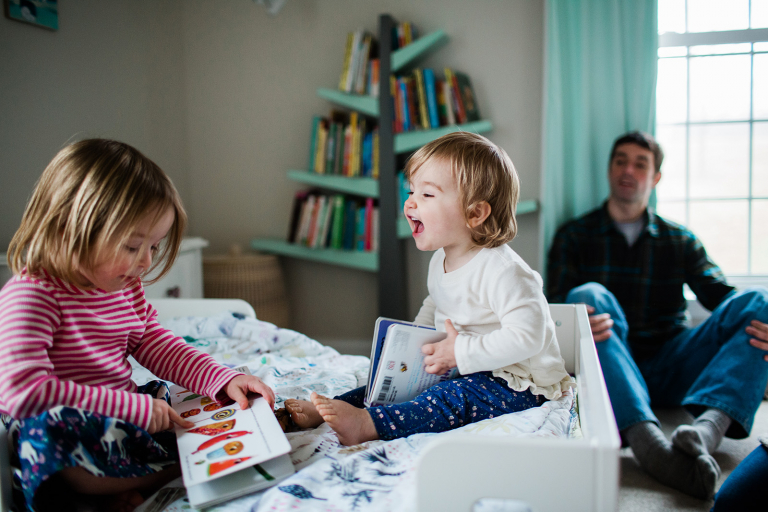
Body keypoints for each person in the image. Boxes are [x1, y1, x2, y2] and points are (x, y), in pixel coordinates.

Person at [0, 139, 276, 512]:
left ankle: (125, 487)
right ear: (70, 228)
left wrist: (220, 379)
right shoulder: (33, 294)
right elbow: (24, 392)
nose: (145, 262)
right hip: (67, 433)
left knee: (180, 408)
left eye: (154, 248)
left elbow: (154, 341)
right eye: (132, 247)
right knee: (48, 433)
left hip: (121, 420)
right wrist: (130, 407)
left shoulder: (124, 287)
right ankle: (143, 481)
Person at [283, 131, 572, 446]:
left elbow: (528, 337)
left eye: (428, 195)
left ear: (475, 213)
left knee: (449, 398)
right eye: (411, 191)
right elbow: (436, 302)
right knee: (390, 384)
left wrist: (460, 352)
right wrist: (414, 344)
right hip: (463, 363)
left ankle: (369, 425)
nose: (410, 203)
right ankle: (330, 408)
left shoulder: (505, 272)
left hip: (517, 383)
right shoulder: (441, 259)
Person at [546, 131, 768, 500]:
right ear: (609, 170)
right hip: (613, 367)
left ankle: (706, 431)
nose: (628, 170)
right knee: (586, 295)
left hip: (676, 365)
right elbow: (551, 314)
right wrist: (574, 314)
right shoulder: (574, 235)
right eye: (620, 161)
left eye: (640, 163)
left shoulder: (679, 239)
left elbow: (722, 296)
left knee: (758, 305)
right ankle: (648, 445)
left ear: (655, 177)